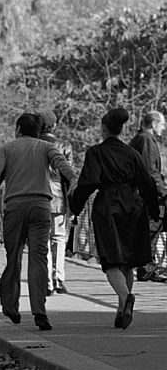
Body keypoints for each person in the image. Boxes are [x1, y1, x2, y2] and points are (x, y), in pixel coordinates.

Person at [0, 113, 77, 331]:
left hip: (15, 208)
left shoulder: (7, 149)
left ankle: (11, 304)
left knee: (14, 257)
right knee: (38, 260)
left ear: (18, 128)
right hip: (41, 208)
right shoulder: (45, 147)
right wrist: (74, 180)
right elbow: (63, 165)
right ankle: (40, 312)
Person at [70, 108, 159, 330]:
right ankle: (121, 312)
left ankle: (126, 297)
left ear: (103, 129)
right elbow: (147, 183)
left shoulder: (96, 153)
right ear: (121, 130)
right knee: (127, 260)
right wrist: (154, 211)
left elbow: (88, 183)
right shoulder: (132, 153)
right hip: (133, 205)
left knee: (110, 260)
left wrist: (76, 207)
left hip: (108, 206)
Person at [38, 109, 73, 295]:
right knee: (59, 238)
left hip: (37, 196)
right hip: (58, 197)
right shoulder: (64, 145)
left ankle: (47, 282)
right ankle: (58, 278)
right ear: (54, 125)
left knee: (42, 239)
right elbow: (69, 177)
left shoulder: (32, 145)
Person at [129, 111, 166, 282]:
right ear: (154, 124)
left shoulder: (142, 138)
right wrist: (162, 191)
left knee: (149, 229)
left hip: (142, 194)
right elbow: (150, 170)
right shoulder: (146, 140)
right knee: (151, 228)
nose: (164, 127)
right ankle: (146, 267)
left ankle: (146, 267)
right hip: (146, 195)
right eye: (162, 124)